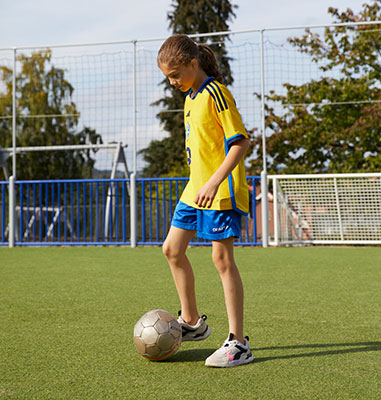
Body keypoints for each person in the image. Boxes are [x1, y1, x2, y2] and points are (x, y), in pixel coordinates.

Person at [158, 34, 254, 368]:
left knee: (221, 259)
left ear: (193, 63)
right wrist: (202, 183)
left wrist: (215, 181)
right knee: (172, 249)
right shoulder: (190, 96)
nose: (172, 82)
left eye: (175, 75)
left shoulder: (216, 92)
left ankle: (239, 343)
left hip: (220, 190)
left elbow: (240, 143)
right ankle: (193, 322)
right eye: (168, 77)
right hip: (194, 190)